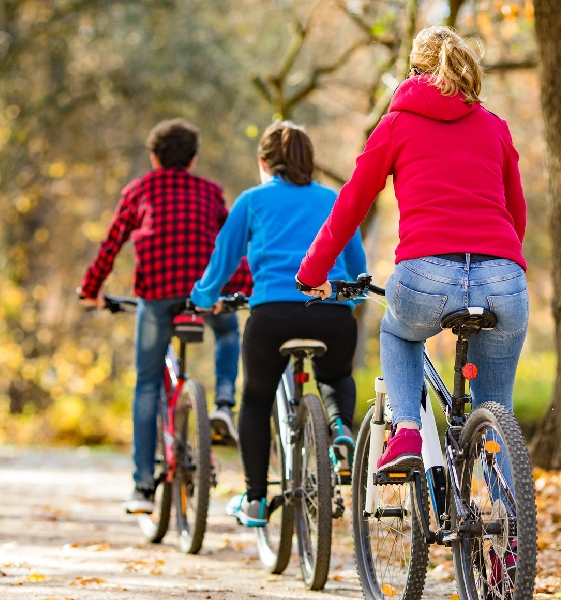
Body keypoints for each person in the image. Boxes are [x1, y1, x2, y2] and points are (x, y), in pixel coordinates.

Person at [296, 26, 529, 474]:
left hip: (425, 277)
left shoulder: (396, 124)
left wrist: (313, 271)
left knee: (398, 333)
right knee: (498, 413)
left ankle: (406, 431)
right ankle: (510, 531)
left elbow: (351, 205)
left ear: (415, 71)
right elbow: (515, 212)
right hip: (503, 278)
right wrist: (498, 267)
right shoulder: (495, 127)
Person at [191, 121, 367, 527]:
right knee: (338, 374)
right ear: (310, 161)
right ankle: (340, 428)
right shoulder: (332, 199)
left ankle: (254, 499)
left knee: (254, 398)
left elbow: (221, 264)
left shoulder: (251, 201)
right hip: (330, 315)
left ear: (263, 163)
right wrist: (351, 297)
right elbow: (357, 272)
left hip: (271, 316)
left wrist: (202, 299)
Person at [79, 118, 251, 514]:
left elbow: (111, 244)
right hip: (205, 293)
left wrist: (91, 291)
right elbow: (228, 245)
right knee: (227, 332)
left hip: (156, 294)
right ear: (192, 160)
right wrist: (239, 287)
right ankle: (224, 399)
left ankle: (142, 487)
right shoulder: (209, 191)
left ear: (154, 157)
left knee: (145, 384)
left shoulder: (138, 189)